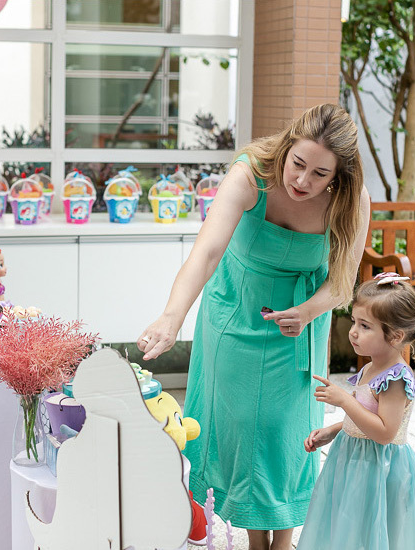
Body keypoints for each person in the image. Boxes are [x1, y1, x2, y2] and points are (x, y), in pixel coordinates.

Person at [137, 103, 371, 550]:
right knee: (239, 426)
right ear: (285, 149)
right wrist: (172, 314)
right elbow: (206, 253)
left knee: (286, 433)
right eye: (297, 164)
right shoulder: (251, 175)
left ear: (337, 178)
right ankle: (250, 537)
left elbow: (343, 283)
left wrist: (306, 312)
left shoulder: (350, 200)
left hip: (300, 325)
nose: (302, 181)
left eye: (319, 174)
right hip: (235, 311)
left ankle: (280, 544)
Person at [298, 273, 415, 549]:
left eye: (365, 326)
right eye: (354, 321)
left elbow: (386, 432)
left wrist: (344, 400)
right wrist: (331, 431)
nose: (353, 331)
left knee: (374, 533)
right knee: (352, 531)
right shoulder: (371, 366)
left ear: (395, 336)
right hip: (354, 461)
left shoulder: (396, 379)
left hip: (380, 467)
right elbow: (366, 415)